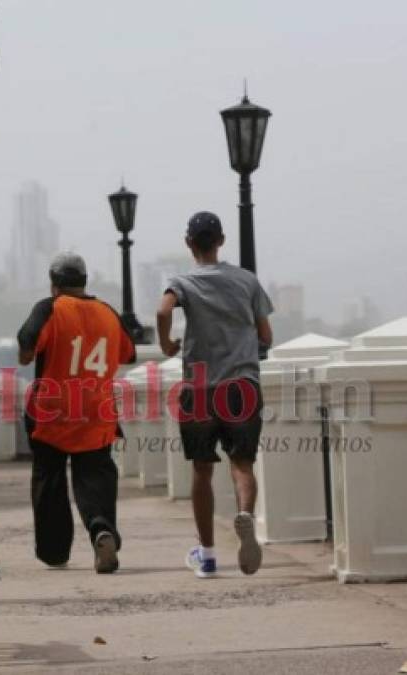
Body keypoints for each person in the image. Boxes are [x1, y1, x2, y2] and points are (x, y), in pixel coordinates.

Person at [156, 212, 273, 578]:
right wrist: (252, 343)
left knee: (202, 470)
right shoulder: (246, 280)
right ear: (221, 240)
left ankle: (206, 556)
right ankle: (245, 517)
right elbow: (266, 335)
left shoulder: (183, 281)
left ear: (189, 244)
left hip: (201, 388)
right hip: (242, 385)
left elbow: (162, 311)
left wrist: (167, 343)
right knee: (242, 464)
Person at [17, 252, 136, 573]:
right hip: (96, 413)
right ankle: (101, 528)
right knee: (95, 477)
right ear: (83, 282)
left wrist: (28, 354)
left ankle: (55, 552)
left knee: (49, 481)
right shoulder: (108, 312)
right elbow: (128, 352)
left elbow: (27, 346)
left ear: (54, 284)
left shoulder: (49, 308)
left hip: (52, 414)